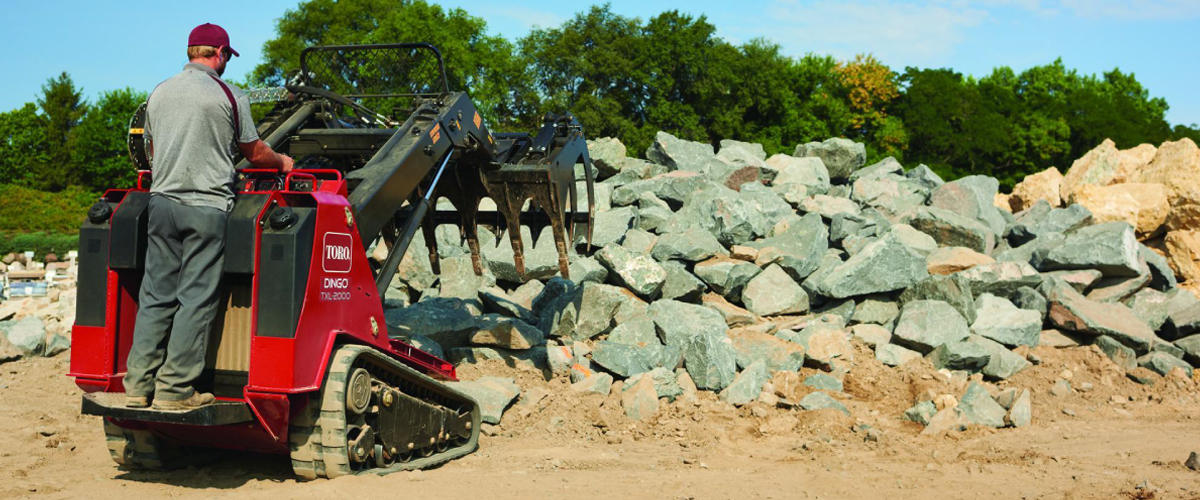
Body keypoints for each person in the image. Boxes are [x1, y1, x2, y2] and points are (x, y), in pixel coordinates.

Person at [124, 23, 294, 410]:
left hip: (161, 205)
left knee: (156, 295)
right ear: (219, 54)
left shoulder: (159, 92)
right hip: (206, 208)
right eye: (226, 57)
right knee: (195, 298)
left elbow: (150, 148)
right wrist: (282, 161)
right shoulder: (228, 95)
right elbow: (254, 153)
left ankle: (137, 386)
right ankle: (175, 390)